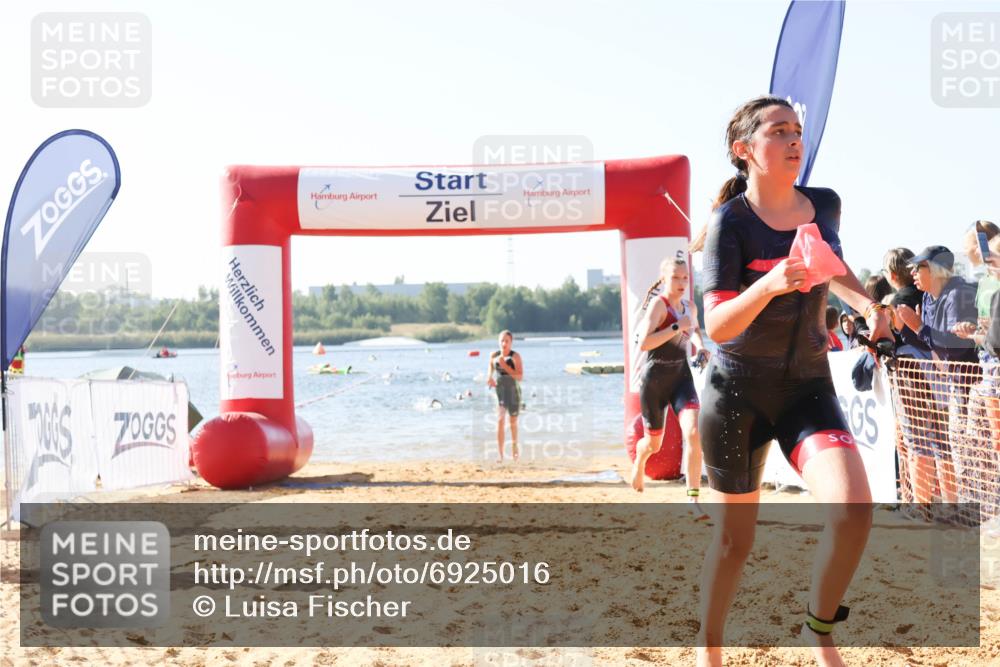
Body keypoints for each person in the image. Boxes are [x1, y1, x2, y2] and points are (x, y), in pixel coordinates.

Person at [692, 95, 893, 667]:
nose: (793, 139)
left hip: (808, 388)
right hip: (735, 395)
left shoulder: (824, 205)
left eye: (796, 130)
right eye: (778, 131)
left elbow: (833, 265)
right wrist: (771, 284)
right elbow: (716, 325)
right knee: (735, 543)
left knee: (854, 512)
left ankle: (818, 628)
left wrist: (869, 306)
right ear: (745, 151)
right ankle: (709, 650)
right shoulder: (729, 223)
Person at [895, 246, 979, 504]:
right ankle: (968, 513)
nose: (911, 272)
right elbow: (931, 345)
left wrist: (918, 327)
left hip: (976, 385)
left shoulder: (958, 293)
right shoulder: (929, 298)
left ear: (935, 269)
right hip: (955, 386)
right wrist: (911, 329)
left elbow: (956, 346)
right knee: (961, 452)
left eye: (918, 267)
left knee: (980, 454)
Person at [627, 253, 710, 513]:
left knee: (694, 433)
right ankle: (640, 462)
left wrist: (701, 347)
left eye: (685, 277)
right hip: (654, 381)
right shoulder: (659, 306)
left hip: (681, 378)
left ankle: (693, 499)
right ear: (664, 279)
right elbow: (645, 343)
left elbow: (693, 331)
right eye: (675, 277)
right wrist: (675, 327)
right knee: (654, 445)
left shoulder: (690, 308)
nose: (682, 282)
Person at [486, 330, 524, 463]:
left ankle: (515, 450)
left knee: (513, 422)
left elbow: (520, 377)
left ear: (511, 342)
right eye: (501, 340)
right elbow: (490, 369)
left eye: (506, 341)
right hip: (500, 392)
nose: (503, 343)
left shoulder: (515, 357)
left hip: (514, 392)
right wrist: (489, 378)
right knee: (500, 419)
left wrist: (505, 367)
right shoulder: (494, 355)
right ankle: (500, 455)